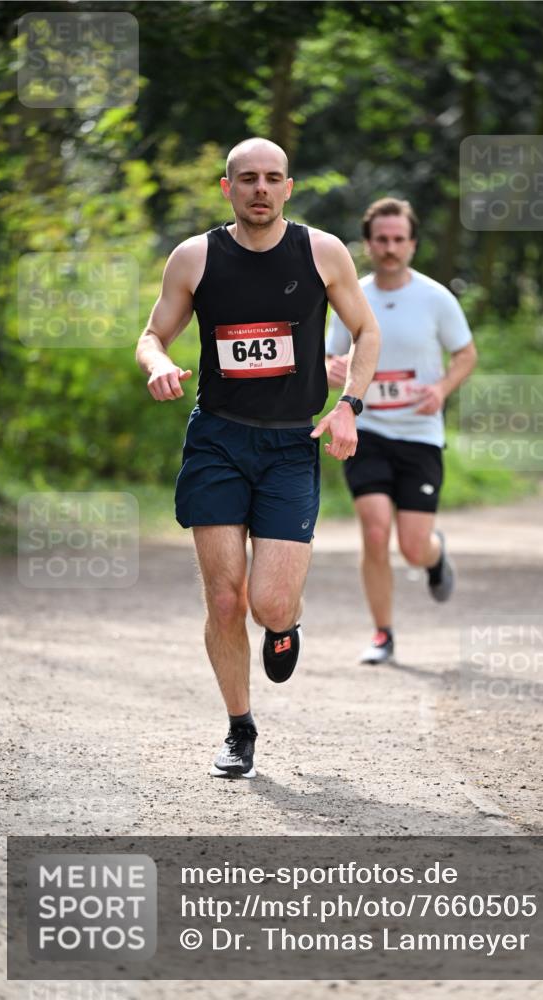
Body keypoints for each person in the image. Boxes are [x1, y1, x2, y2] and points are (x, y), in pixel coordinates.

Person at [135, 138, 379, 778]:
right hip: (218, 438)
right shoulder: (195, 257)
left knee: (270, 603)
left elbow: (366, 330)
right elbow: (153, 333)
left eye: (273, 178)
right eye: (247, 179)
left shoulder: (323, 252)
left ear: (288, 188)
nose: (260, 189)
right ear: (228, 188)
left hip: (291, 445)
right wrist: (159, 363)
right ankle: (239, 728)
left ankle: (284, 623)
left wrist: (350, 402)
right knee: (223, 600)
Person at [325, 197, 477, 665]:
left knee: (412, 547)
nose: (390, 248)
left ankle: (434, 557)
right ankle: (382, 633)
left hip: (419, 435)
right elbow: (330, 356)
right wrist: (333, 371)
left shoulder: (436, 298)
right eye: (381, 240)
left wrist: (442, 390)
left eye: (399, 240)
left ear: (412, 244)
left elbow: (466, 354)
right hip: (366, 430)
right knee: (374, 533)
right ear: (368, 244)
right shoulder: (352, 296)